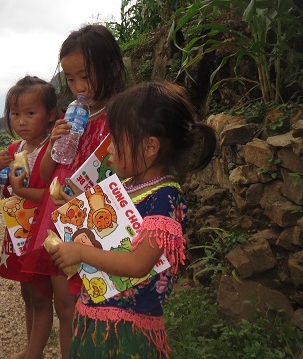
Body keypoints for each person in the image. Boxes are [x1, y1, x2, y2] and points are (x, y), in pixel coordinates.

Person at [48, 80, 217, 358]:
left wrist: (80, 251)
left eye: (116, 139)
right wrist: (73, 206)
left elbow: (138, 263)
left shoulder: (164, 197)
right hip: (95, 314)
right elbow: (110, 232)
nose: (109, 148)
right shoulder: (127, 185)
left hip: (126, 331)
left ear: (150, 146)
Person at [21, 24, 127, 359]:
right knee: (65, 306)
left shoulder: (124, 114)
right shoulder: (70, 116)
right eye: (70, 79)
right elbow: (46, 174)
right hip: (58, 218)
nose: (79, 87)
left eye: (85, 76)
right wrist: (55, 143)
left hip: (98, 218)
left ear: (111, 68)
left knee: (100, 302)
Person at [0, 76, 57, 359]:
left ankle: (34, 352)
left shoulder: (55, 148)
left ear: (51, 114)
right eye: (15, 114)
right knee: (27, 293)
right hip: (18, 234)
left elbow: (56, 195)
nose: (21, 121)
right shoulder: (15, 151)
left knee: (40, 296)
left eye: (30, 113)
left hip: (43, 233)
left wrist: (23, 190)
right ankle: (32, 348)